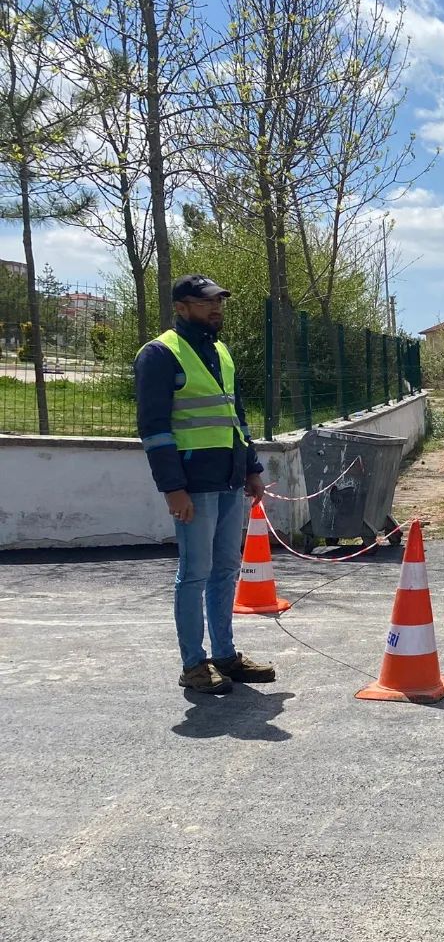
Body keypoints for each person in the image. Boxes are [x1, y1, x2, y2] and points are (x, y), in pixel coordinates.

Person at [134, 275, 276, 695]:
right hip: (192, 484)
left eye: (219, 302)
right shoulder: (160, 354)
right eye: (205, 303)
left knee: (226, 571)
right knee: (194, 573)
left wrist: (251, 468)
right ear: (181, 307)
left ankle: (225, 656)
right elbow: (155, 429)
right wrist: (172, 489)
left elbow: (237, 418)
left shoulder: (221, 353)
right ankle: (193, 665)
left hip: (230, 479)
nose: (216, 310)